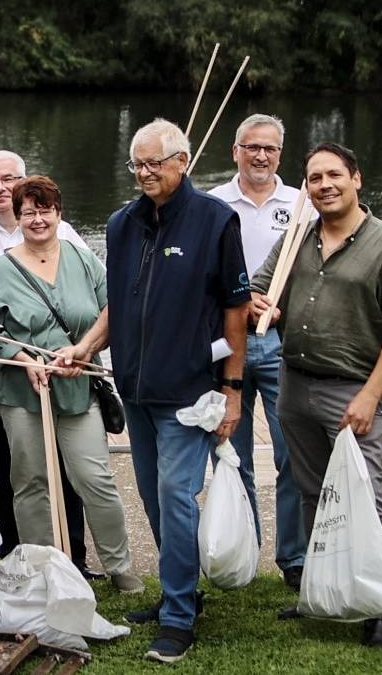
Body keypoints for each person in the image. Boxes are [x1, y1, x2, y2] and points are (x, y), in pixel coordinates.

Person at [251, 142, 382, 650]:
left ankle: (380, 605)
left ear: (356, 178)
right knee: (312, 493)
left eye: (333, 175)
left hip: (354, 390)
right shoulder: (298, 238)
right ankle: (321, 589)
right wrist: (261, 302)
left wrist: (372, 394)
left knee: (365, 497)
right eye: (314, 178)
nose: (324, 185)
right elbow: (262, 290)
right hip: (295, 384)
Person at [102, 119, 250, 664]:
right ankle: (178, 588)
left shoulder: (215, 221)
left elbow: (237, 310)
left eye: (154, 164)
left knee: (175, 497)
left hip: (189, 392)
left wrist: (232, 391)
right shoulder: (121, 224)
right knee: (150, 494)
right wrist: (85, 347)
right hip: (135, 389)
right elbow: (118, 303)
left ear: (182, 161)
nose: (144, 174)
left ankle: (180, 618)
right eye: (136, 165)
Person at [0, 175, 139, 593]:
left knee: (94, 477)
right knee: (30, 481)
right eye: (28, 212)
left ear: (58, 213)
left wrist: (84, 349)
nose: (37, 219)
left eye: (44, 209)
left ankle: (119, 565)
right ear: (17, 218)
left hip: (78, 384)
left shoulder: (83, 259)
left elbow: (112, 306)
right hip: (21, 392)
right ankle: (42, 568)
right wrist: (23, 359)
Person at [0, 150, 90, 566]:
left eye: (9, 179)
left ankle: (74, 554)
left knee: (65, 463)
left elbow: (88, 293)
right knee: (4, 460)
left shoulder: (62, 230)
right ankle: (14, 551)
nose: (0, 188)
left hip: (57, 365)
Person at [204, 115, 309, 587]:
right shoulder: (211, 205)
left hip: (284, 342)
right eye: (251, 147)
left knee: (293, 455)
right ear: (235, 151)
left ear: (280, 155)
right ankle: (245, 550)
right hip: (229, 344)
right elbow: (202, 278)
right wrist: (240, 302)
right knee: (232, 452)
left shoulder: (303, 205)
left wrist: (283, 304)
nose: (260, 156)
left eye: (269, 148)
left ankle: (294, 559)